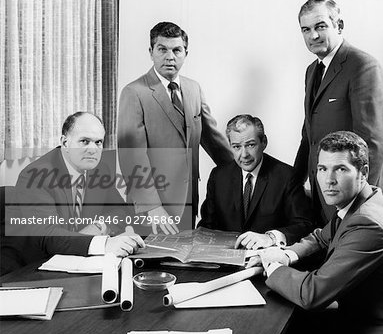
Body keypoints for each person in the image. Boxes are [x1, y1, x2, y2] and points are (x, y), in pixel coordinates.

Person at [248, 131, 383, 334]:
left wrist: (272, 266)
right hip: (362, 316)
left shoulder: (369, 224)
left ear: (363, 172)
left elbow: (311, 294)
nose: (329, 180)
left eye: (340, 169)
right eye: (323, 169)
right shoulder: (362, 201)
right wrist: (286, 254)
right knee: (291, 327)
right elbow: (321, 237)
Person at [294, 0, 383, 226]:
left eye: (320, 26)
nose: (313, 35)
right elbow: (310, 136)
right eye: (306, 29)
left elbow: (372, 142)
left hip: (362, 199)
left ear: (339, 25)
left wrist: (356, 202)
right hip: (328, 193)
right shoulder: (312, 71)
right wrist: (292, 186)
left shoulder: (363, 66)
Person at [118, 21, 232, 235]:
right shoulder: (134, 92)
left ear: (185, 53)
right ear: (151, 52)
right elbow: (131, 156)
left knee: (183, 265)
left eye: (176, 50)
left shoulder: (193, 88)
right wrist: (151, 206)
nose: (170, 57)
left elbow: (215, 142)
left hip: (189, 201)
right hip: (151, 208)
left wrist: (246, 172)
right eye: (162, 49)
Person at [3, 112, 145, 273]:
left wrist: (99, 226)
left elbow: (120, 210)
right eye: (84, 141)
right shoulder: (35, 175)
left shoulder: (99, 169)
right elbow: (48, 236)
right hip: (34, 265)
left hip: (79, 259)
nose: (93, 149)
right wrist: (104, 244)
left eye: (98, 142)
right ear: (65, 142)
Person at [198, 114, 313, 249]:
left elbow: (304, 225)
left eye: (250, 145)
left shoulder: (287, 176)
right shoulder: (218, 176)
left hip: (267, 260)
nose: (244, 154)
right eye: (236, 147)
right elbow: (208, 225)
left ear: (264, 142)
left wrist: (270, 237)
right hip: (225, 259)